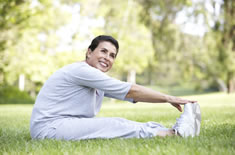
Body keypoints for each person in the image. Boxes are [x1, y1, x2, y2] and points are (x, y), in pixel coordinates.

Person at [30, 35, 201, 140]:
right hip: (49, 128)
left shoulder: (95, 77)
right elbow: (131, 90)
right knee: (113, 125)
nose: (107, 58)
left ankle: (170, 130)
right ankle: (175, 134)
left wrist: (165, 98)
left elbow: (130, 95)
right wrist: (169, 98)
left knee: (119, 122)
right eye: (103, 51)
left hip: (64, 124)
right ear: (89, 52)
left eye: (112, 55)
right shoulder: (81, 71)